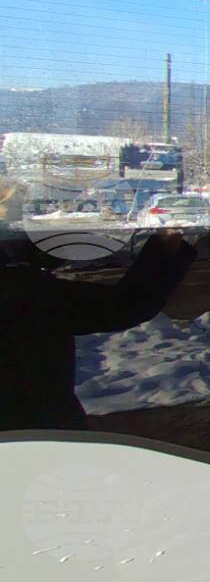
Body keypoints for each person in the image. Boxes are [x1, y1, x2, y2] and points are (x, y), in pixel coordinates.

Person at [0, 181, 196, 432]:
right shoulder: (25, 293)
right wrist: (168, 237)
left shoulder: (26, 290)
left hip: (42, 435)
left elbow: (127, 305)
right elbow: (129, 305)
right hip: (43, 435)